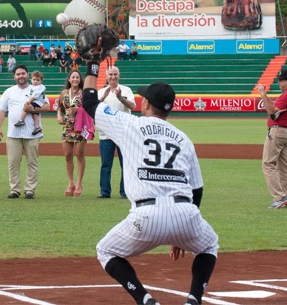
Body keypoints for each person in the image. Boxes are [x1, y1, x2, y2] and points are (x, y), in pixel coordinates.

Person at [80, 42, 219, 305]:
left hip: (146, 216)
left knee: (106, 250)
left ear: (145, 104)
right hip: (185, 213)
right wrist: (184, 232)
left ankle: (144, 299)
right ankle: (193, 299)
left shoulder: (129, 124)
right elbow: (197, 190)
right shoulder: (184, 138)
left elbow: (88, 101)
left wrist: (94, 62)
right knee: (209, 246)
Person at [0, 65, 49, 199]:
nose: (21, 76)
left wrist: (33, 109)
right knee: (13, 162)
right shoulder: (9, 91)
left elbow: (47, 106)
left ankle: (30, 190)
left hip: (32, 133)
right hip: (13, 133)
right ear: (14, 76)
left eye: (23, 73)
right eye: (18, 74)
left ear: (27, 75)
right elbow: (1, 110)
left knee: (32, 162)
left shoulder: (36, 88)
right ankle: (15, 190)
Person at [257, 69, 287, 209]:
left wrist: (263, 94)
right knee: (284, 168)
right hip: (286, 133)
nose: (279, 83)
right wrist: (266, 97)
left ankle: (280, 197)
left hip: (277, 132)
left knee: (268, 164)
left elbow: (271, 111)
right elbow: (274, 109)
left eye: (281, 80)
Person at [97, 66, 136, 199]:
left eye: (115, 74)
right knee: (105, 164)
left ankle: (125, 191)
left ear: (119, 76)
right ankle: (104, 191)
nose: (113, 77)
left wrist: (121, 98)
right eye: (110, 74)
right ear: (106, 76)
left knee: (125, 163)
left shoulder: (126, 90)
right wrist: (103, 97)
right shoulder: (101, 91)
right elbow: (95, 108)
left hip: (123, 133)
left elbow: (133, 106)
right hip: (106, 133)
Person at [57, 69, 87, 197]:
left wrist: (79, 109)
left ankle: (79, 183)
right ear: (69, 79)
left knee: (79, 155)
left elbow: (89, 108)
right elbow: (60, 107)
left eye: (77, 77)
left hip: (80, 126)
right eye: (73, 77)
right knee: (67, 155)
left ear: (80, 79)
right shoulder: (64, 93)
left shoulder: (84, 93)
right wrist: (59, 116)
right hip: (67, 126)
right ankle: (71, 183)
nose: (75, 79)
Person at [14, 70, 46, 135]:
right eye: (34, 79)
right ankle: (37, 127)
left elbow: (34, 96)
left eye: (38, 80)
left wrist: (28, 101)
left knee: (25, 108)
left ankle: (21, 120)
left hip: (38, 102)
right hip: (37, 102)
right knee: (35, 114)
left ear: (41, 81)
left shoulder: (40, 87)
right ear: (31, 79)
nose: (35, 81)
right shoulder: (32, 87)